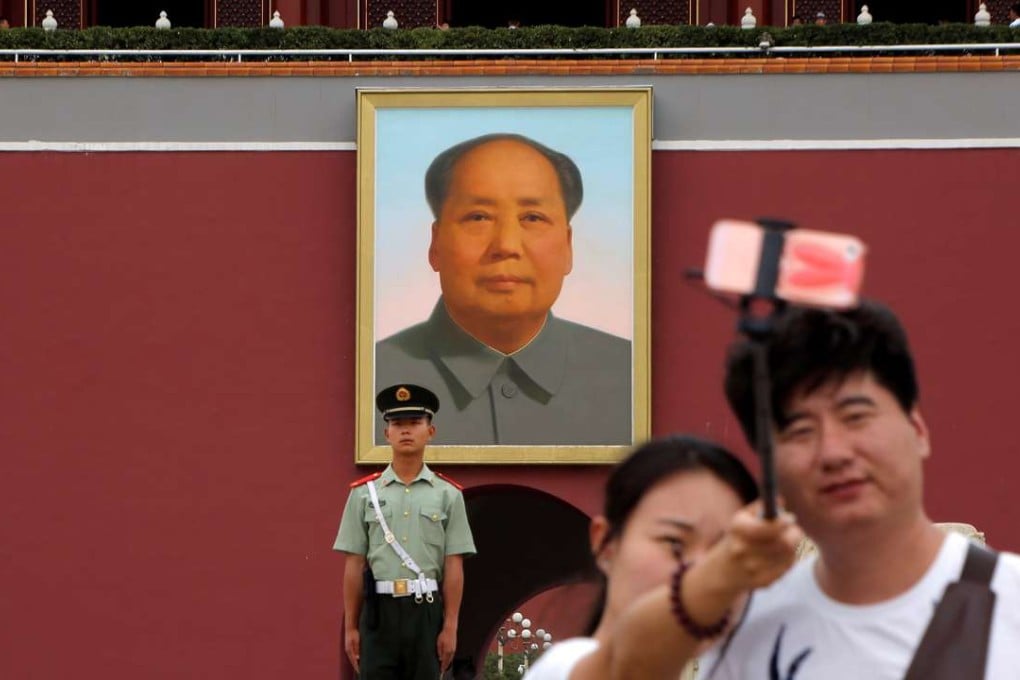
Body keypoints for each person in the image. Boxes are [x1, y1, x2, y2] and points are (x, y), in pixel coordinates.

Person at [701, 301, 1020, 677]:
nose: (833, 453)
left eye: (856, 417)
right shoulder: (747, 635)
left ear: (918, 430)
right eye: (801, 431)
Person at [376, 133, 632, 446]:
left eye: (533, 218)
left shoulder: (632, 377)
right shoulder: (371, 377)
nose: (506, 246)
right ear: (435, 244)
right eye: (479, 217)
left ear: (567, 247)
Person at [524, 435, 802, 680]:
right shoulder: (563, 668)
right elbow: (631, 665)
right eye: (674, 545)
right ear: (605, 544)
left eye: (724, 549)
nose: (697, 570)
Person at [334, 384, 477, 679]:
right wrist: (350, 626)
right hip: (378, 614)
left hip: (425, 611)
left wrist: (450, 626)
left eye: (415, 423)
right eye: (397, 424)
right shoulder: (364, 495)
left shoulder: (448, 495)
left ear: (430, 431)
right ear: (387, 434)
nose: (406, 431)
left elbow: (453, 565)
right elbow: (354, 565)